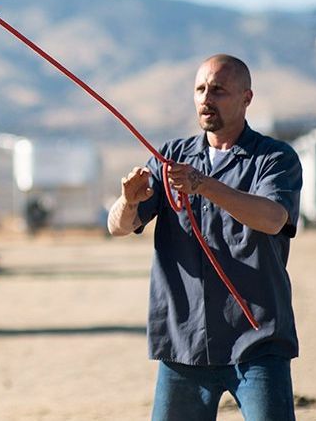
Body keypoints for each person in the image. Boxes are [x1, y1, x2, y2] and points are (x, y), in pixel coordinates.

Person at [108, 54, 303, 421]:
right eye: (200, 89)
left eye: (218, 90)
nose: (206, 99)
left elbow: (273, 218)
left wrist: (204, 185)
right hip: (185, 345)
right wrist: (127, 201)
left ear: (247, 98)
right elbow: (116, 226)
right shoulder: (169, 158)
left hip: (257, 343)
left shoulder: (275, 158)